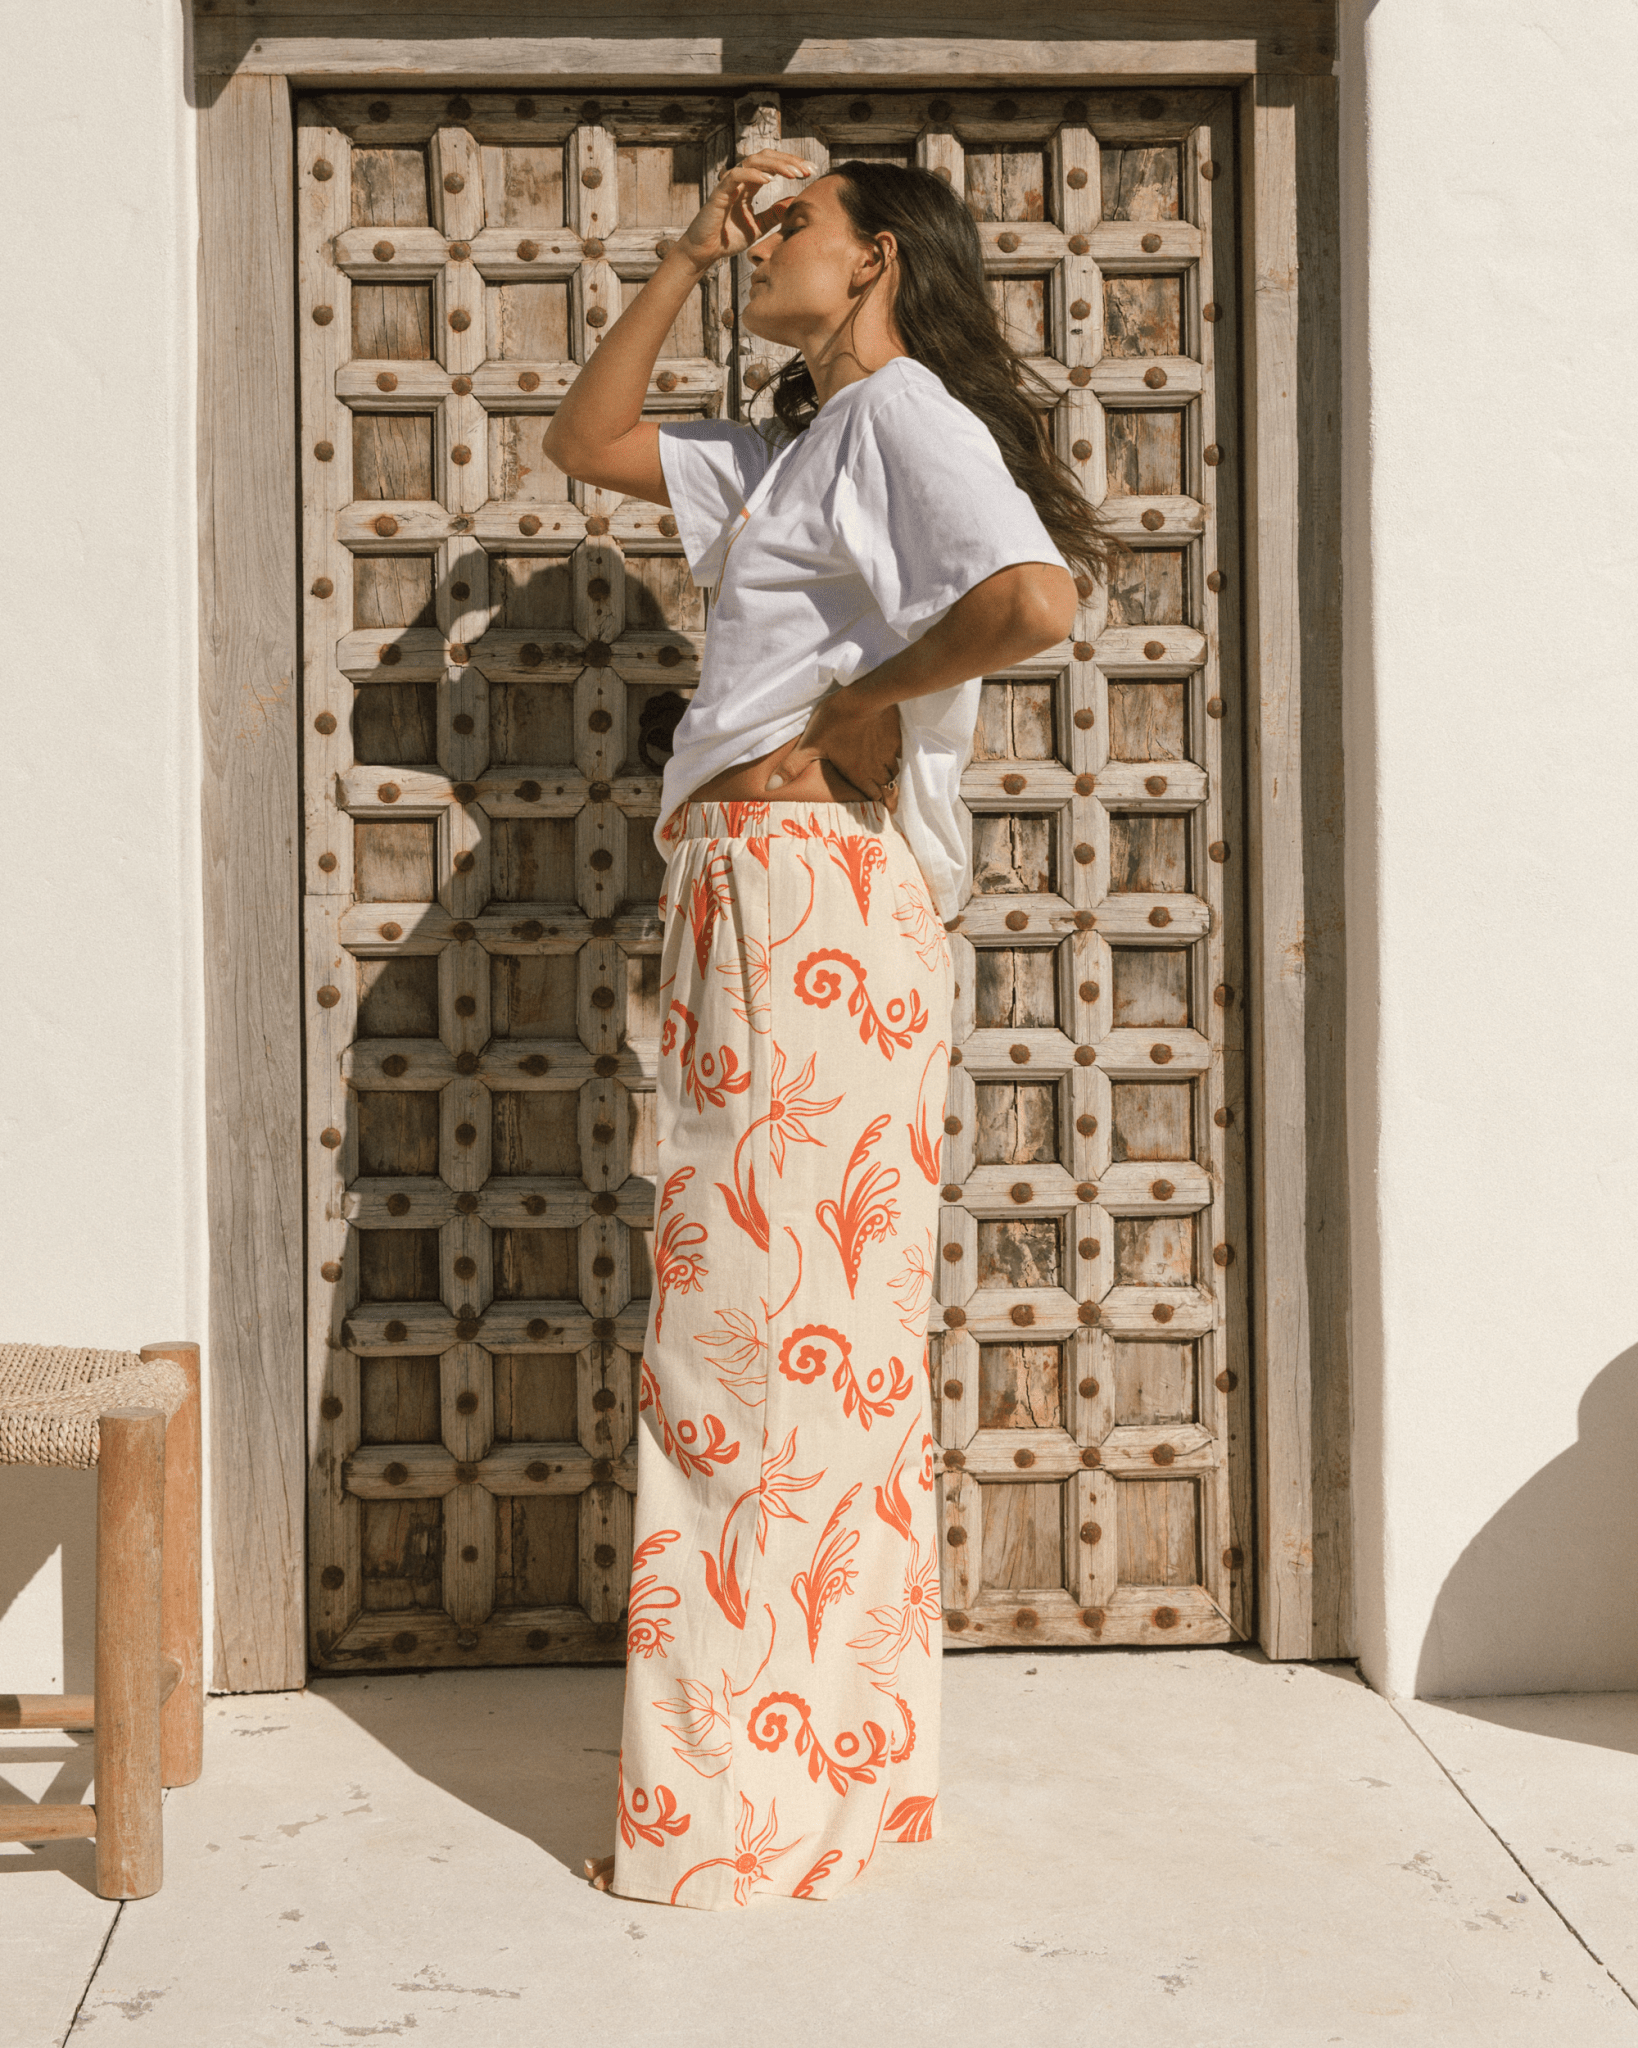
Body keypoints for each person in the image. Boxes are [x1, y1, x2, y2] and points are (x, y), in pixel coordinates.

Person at [544, 147, 1115, 1910]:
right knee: (807, 1353)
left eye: (794, 222)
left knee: (749, 1356)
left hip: (805, 899)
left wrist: (865, 701)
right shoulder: (800, 444)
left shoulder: (898, 412)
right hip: (780, 901)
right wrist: (683, 251)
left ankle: (732, 1824)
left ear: (877, 259)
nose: (764, 240)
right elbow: (587, 440)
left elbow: (1031, 599)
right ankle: (826, 1795)